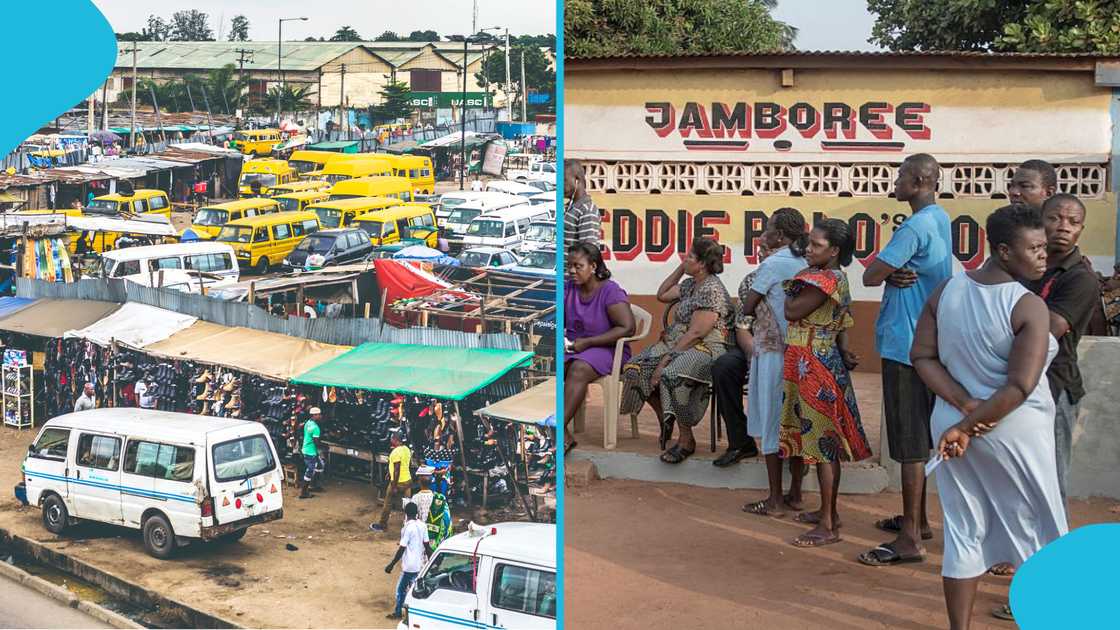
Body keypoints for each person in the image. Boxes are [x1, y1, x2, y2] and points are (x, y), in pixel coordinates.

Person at [911, 204, 1066, 628]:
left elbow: (922, 356)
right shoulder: (1027, 305)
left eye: (1044, 247)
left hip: (951, 427)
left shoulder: (946, 291)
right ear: (1002, 250)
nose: (1042, 256)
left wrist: (961, 408)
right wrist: (968, 421)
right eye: (1033, 248)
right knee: (1040, 529)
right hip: (1011, 431)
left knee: (965, 529)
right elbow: (1019, 386)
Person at [859, 153, 953, 567]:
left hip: (904, 343)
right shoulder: (940, 219)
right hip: (927, 339)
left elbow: (869, 275)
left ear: (918, 181)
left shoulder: (913, 226)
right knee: (919, 433)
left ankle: (911, 537)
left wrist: (886, 272)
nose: (894, 183)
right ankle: (920, 519)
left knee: (910, 441)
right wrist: (894, 271)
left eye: (899, 177)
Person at [776, 219, 871, 547]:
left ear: (834, 251)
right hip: (809, 363)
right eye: (809, 243)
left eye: (816, 245)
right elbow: (841, 323)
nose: (807, 249)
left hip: (814, 368)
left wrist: (794, 286)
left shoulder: (825, 280)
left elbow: (790, 310)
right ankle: (826, 512)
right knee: (815, 442)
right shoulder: (830, 279)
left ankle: (829, 524)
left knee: (823, 445)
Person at [619, 237, 732, 464]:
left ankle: (686, 439)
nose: (684, 259)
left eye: (689, 256)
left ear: (701, 264)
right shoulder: (692, 284)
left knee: (671, 375)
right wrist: (682, 267)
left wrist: (664, 363)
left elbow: (696, 334)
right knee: (634, 369)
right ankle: (665, 417)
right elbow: (662, 294)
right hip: (678, 342)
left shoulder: (712, 290)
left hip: (706, 347)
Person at [1028, 194, 1099, 504]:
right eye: (1055, 218)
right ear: (1041, 221)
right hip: (1020, 384)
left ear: (1081, 229)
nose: (1063, 226)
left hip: (1055, 387)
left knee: (1050, 482)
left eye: (1073, 222)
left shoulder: (1080, 277)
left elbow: (1046, 331)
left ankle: (1055, 550)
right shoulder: (1028, 266)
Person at [741, 209, 808, 514]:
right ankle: (795, 493)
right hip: (800, 353)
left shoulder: (772, 264)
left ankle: (775, 499)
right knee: (794, 421)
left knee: (770, 420)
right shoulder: (808, 261)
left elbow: (749, 304)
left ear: (779, 236)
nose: (763, 234)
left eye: (768, 229)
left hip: (771, 351)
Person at [711, 229, 780, 468]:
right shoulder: (751, 282)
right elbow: (742, 326)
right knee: (724, 367)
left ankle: (791, 450)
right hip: (755, 345)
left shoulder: (797, 277)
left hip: (788, 348)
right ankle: (741, 442)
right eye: (761, 251)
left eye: (767, 250)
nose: (762, 255)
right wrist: (753, 354)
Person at [563, 242, 636, 453]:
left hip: (607, 349)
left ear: (593, 266)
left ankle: (555, 430)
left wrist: (588, 342)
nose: (571, 271)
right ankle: (565, 434)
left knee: (578, 368)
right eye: (569, 266)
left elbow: (627, 328)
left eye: (578, 266)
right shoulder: (568, 289)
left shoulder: (610, 291)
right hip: (575, 347)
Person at [384, 502, 431, 621]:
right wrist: (432, 564)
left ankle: (398, 612)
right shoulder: (423, 525)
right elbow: (427, 546)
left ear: (406, 513)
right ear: (416, 513)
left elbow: (402, 548)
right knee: (415, 591)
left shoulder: (407, 528)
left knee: (400, 591)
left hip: (408, 567)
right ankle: (415, 615)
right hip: (419, 565)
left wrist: (391, 564)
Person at [372, 431, 413, 532]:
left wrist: (394, 486)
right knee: (408, 505)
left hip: (397, 482)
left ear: (395, 440)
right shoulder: (407, 449)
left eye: (391, 438)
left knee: (388, 503)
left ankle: (382, 525)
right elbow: (407, 464)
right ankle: (410, 525)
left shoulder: (395, 452)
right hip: (408, 481)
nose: (390, 440)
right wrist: (389, 473)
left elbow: (397, 470)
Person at [563, 160, 601, 252]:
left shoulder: (587, 211)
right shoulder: (569, 208)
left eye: (564, 180)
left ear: (577, 180)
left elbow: (587, 253)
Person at [299, 407, 323, 499]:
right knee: (310, 470)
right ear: (314, 415)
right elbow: (316, 442)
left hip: (307, 449)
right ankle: (303, 492)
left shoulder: (307, 423)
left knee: (320, 466)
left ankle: (314, 486)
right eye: (319, 414)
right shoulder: (316, 428)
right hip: (310, 451)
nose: (320, 416)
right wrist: (324, 447)